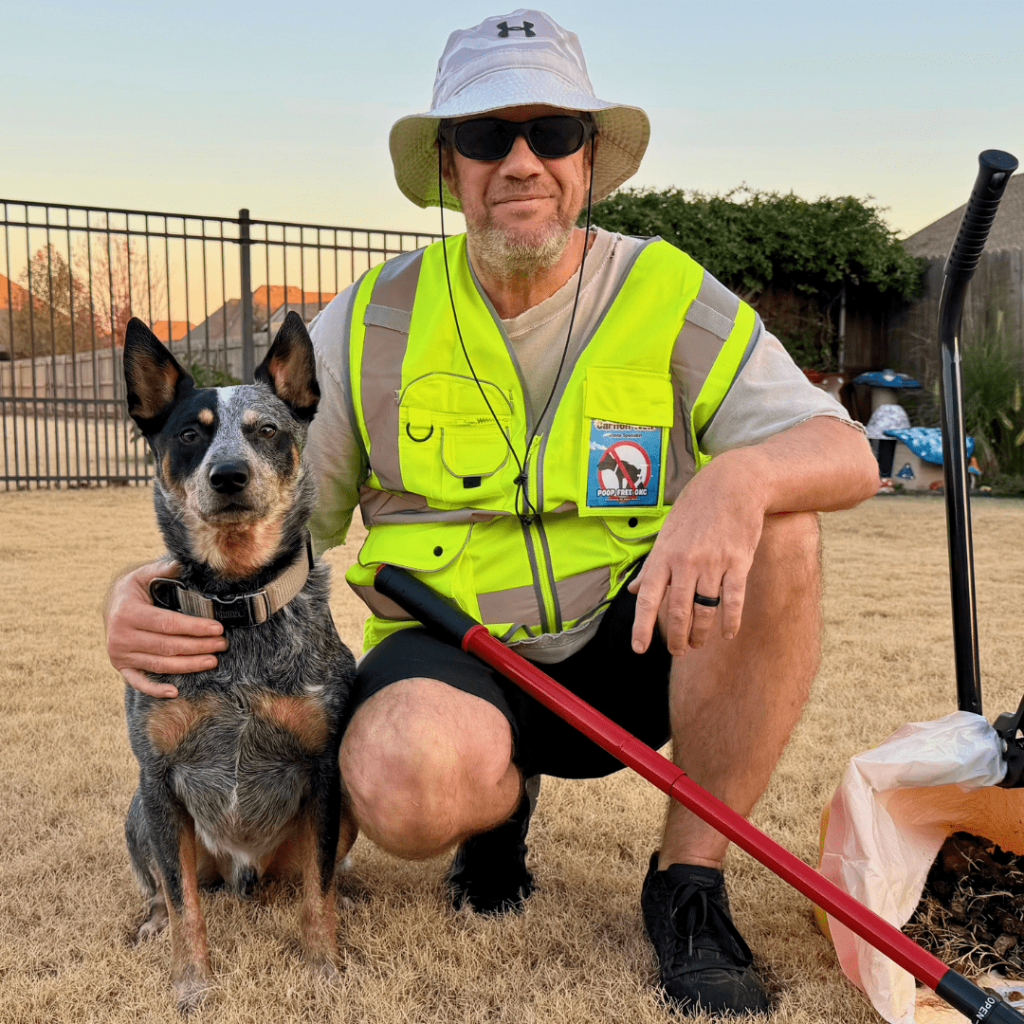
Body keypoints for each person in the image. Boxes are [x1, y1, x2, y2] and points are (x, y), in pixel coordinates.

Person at [105, 9, 879, 1017]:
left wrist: (736, 481)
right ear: (447, 165)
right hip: (452, 650)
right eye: (484, 135)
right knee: (401, 778)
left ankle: (687, 884)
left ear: (589, 159)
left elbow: (845, 450)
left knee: (785, 523)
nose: (521, 161)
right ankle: (496, 810)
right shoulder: (369, 322)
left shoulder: (665, 291)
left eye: (552, 131)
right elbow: (266, 508)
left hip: (636, 634)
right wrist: (138, 587)